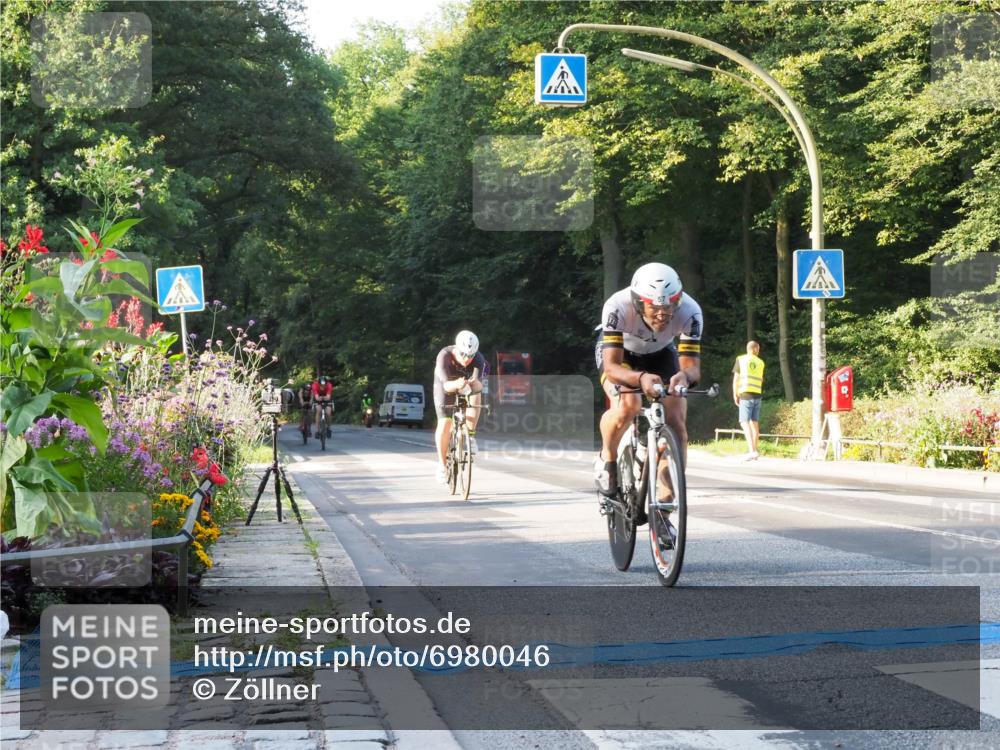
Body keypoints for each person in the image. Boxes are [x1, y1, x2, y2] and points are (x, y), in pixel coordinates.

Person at [594, 262, 703, 505]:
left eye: (669, 306)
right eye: (654, 307)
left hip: (661, 353)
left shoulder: (691, 311)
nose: (662, 314)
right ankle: (607, 458)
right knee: (628, 406)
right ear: (638, 302)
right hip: (621, 354)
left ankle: (665, 506)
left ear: (678, 300)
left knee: (677, 422)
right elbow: (612, 367)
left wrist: (684, 377)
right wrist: (640, 378)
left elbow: (692, 367)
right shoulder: (617, 306)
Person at [433, 330, 486, 484]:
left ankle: (470, 435)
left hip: (465, 384)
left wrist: (475, 384)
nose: (466, 359)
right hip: (446, 385)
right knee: (445, 423)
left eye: (470, 355)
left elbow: (479, 386)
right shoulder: (444, 355)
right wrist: (456, 384)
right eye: (463, 354)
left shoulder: (479, 359)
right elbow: (446, 386)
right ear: (457, 349)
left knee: (476, 392)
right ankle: (442, 465)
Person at [732, 341, 764, 461]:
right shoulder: (761, 362)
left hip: (745, 394)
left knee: (744, 422)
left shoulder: (741, 359)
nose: (759, 351)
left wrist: (735, 394)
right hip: (757, 395)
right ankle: (754, 451)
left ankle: (751, 451)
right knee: (754, 422)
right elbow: (761, 379)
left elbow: (736, 379)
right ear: (754, 349)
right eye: (758, 349)